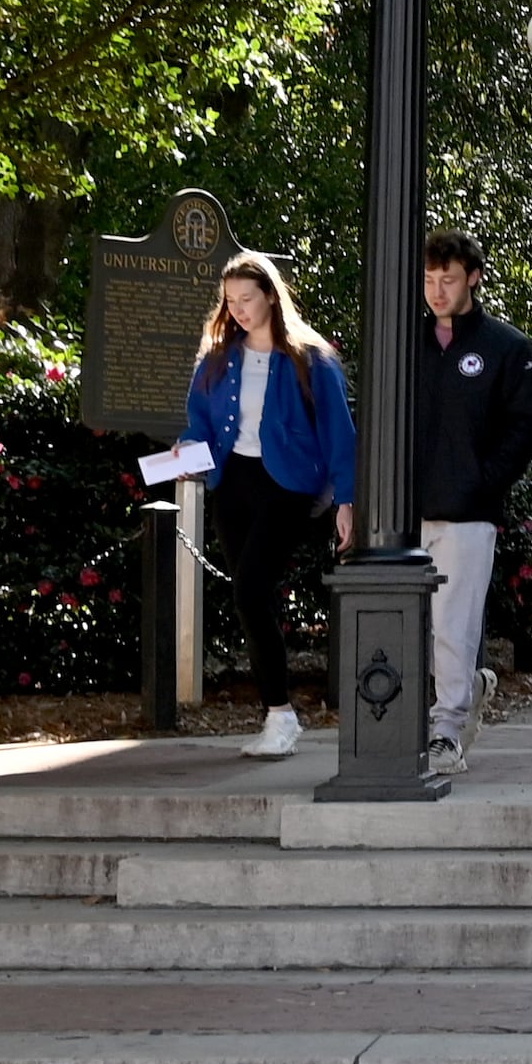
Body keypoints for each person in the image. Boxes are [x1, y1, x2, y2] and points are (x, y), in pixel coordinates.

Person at [180, 256, 358, 759]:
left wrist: (346, 500)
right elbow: (199, 422)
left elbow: (340, 434)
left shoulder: (311, 358)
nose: (236, 310)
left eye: (246, 299)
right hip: (231, 481)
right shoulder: (216, 358)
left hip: (288, 486)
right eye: (230, 301)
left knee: (252, 590)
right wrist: (184, 450)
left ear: (270, 297)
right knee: (249, 598)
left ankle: (280, 716)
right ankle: (277, 714)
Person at [411, 230, 532, 778]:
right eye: (429, 280)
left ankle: (446, 731)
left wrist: (482, 484)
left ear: (473, 278)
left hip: (468, 513)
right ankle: (468, 688)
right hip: (404, 512)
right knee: (415, 625)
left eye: (448, 279)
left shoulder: (506, 348)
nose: (437, 291)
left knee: (453, 624)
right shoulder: (404, 341)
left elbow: (525, 430)